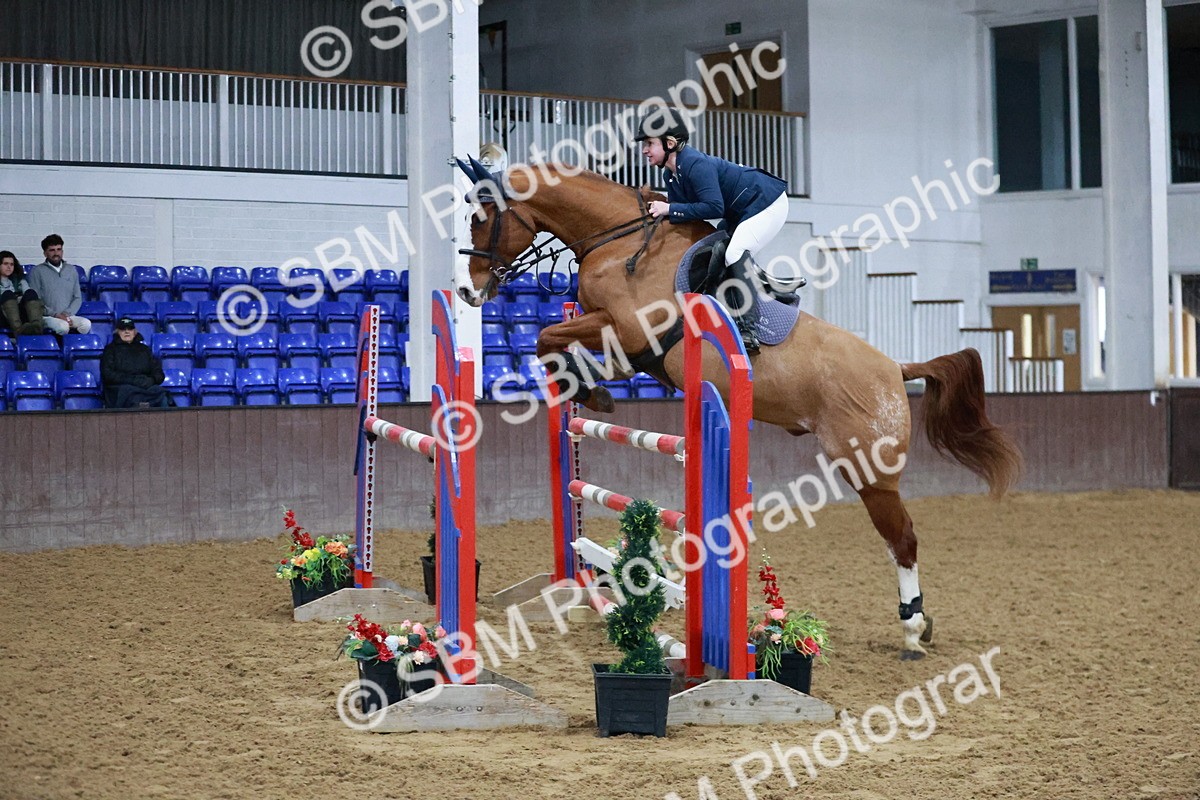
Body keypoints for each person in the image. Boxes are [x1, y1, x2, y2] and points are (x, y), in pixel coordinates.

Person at [635, 107, 794, 354]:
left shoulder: (695, 163)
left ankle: (748, 330)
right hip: (740, 210)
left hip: (767, 203)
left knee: (734, 253)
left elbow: (712, 206)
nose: (644, 150)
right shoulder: (671, 175)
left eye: (649, 143)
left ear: (669, 143)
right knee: (716, 250)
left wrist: (669, 208)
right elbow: (686, 216)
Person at [26, 234, 91, 335]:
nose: (56, 253)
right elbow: (36, 301)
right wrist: (55, 314)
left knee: (86, 324)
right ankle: (59, 349)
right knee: (63, 327)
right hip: (47, 316)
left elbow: (77, 297)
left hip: (68, 315)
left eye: (58, 249)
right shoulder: (37, 271)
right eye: (52, 250)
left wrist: (66, 314)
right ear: (45, 253)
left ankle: (73, 348)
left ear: (62, 251)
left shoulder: (71, 270)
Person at [101, 316, 171, 408]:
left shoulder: (145, 350)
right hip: (122, 388)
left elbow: (159, 373)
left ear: (134, 332)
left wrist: (151, 380)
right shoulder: (110, 350)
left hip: (145, 387)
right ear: (118, 332)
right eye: (123, 329)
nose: (127, 331)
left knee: (162, 395)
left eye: (130, 329)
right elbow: (108, 375)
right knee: (132, 397)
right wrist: (133, 381)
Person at [0, 251, 45, 336]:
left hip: (19, 313)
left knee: (30, 293)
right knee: (8, 294)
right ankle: (18, 330)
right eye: (5, 264)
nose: (9, 267)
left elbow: (27, 293)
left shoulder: (19, 279)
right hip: (3, 315)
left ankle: (37, 327)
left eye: (11, 264)